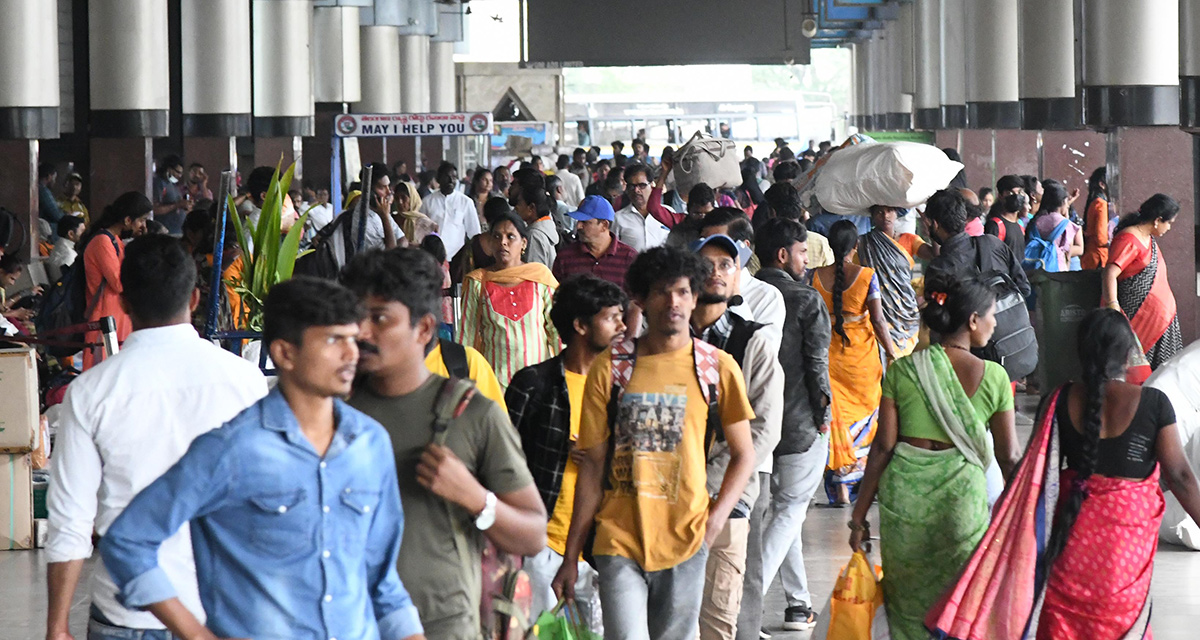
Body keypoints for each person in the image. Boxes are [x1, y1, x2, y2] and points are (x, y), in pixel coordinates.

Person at [98, 277, 426, 640]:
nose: (352, 354)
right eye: (334, 340)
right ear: (285, 353)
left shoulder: (370, 444)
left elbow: (382, 581)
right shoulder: (232, 449)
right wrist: (194, 633)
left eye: (353, 339)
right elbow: (127, 541)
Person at [46, 236, 268, 640]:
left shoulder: (92, 391)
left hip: (127, 612)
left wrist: (57, 625)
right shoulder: (245, 381)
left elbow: (71, 521)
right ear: (196, 298)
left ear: (125, 302)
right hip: (220, 610)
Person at [551, 246, 757, 640]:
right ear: (641, 300)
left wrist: (714, 522)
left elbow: (744, 455)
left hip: (687, 538)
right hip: (618, 539)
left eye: (682, 291)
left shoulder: (717, 367)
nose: (674, 302)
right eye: (662, 292)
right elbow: (591, 467)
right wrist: (572, 554)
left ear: (695, 297)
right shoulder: (611, 367)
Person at [341, 248, 546, 639]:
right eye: (355, 317)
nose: (362, 332)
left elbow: (533, 534)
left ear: (423, 329)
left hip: (444, 625)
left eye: (379, 318)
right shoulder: (333, 412)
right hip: (349, 623)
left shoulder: (472, 414)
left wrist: (476, 499)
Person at [848, 273, 1019, 640]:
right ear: (972, 320)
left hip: (905, 499)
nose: (995, 323)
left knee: (908, 599)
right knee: (960, 599)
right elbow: (1009, 458)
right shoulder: (994, 377)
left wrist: (859, 514)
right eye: (991, 315)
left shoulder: (904, 370)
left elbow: (882, 447)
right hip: (962, 503)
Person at [506, 274, 627, 631]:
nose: (622, 326)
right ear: (580, 326)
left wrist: (600, 458)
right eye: (611, 317)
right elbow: (501, 460)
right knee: (539, 634)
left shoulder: (622, 389)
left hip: (601, 547)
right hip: (540, 545)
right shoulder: (534, 384)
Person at [689, 235, 784, 640]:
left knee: (716, 615)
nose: (716, 272)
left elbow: (764, 429)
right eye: (707, 263)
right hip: (666, 495)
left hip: (728, 497)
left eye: (726, 264)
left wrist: (717, 487)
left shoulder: (754, 341)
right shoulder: (666, 338)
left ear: (738, 277)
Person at [753, 218, 832, 634]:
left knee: (787, 512)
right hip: (800, 421)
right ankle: (743, 605)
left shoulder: (743, 294)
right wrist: (824, 417)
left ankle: (799, 604)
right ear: (783, 254)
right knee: (788, 511)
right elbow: (818, 365)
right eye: (803, 251)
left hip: (753, 422)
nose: (806, 259)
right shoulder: (806, 300)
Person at [812, 219, 896, 504]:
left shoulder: (815, 277)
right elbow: (879, 320)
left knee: (837, 422)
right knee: (864, 422)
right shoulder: (866, 276)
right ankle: (855, 483)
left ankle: (842, 489)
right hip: (861, 361)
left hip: (829, 358)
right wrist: (893, 352)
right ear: (855, 247)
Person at [459, 210, 560, 389]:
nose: (502, 242)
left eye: (510, 236)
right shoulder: (477, 282)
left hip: (538, 384)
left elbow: (556, 332)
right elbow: (467, 336)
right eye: (496, 236)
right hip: (493, 384)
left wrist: (563, 376)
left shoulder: (541, 278)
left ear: (523, 243)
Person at [1102, 194, 1183, 370]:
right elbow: (1110, 272)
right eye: (1169, 223)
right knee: (1136, 370)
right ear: (1157, 220)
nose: (1169, 228)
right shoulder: (1129, 240)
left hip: (1161, 320)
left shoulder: (1147, 237)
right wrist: (1112, 304)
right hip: (1140, 318)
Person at [79, 192, 152, 369]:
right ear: (128, 220)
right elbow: (119, 283)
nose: (143, 225)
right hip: (104, 318)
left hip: (118, 317)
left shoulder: (115, 241)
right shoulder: (102, 242)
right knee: (102, 373)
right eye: (141, 220)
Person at [923, 188, 1031, 298]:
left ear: (935, 224)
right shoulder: (993, 243)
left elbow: (936, 312)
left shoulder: (938, 268)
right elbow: (1024, 288)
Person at [857, 205, 925, 358]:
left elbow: (935, 254)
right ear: (873, 216)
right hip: (877, 311)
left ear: (896, 213)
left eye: (889, 211)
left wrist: (929, 228)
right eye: (880, 212)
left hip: (905, 311)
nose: (885, 216)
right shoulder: (864, 244)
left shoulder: (909, 239)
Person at [552, 195, 639, 291]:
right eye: (578, 221)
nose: (578, 226)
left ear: (604, 225)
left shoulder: (629, 258)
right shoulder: (565, 257)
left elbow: (637, 299)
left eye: (585, 222)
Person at [422, 162, 481, 261]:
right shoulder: (427, 202)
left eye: (454, 177)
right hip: (432, 258)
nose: (451, 180)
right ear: (438, 179)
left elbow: (474, 233)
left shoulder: (465, 202)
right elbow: (420, 230)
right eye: (446, 176)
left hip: (457, 258)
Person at [1028, 180, 1083, 271]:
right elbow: (1067, 252)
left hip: (1036, 268)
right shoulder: (1066, 224)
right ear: (1063, 202)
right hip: (1057, 268)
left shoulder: (1035, 220)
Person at [613, 164, 670, 251]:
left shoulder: (668, 213)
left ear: (651, 185)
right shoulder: (619, 218)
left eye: (642, 185)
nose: (636, 190)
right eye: (632, 186)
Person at [514, 172, 559, 268]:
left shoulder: (534, 235)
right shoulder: (547, 226)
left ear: (531, 208)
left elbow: (533, 273)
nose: (516, 207)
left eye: (519, 202)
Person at [1081, 167, 1116, 270]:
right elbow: (1101, 238)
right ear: (1102, 184)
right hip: (1099, 258)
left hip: (1091, 256)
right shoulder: (1101, 204)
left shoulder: (1094, 201)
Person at [150, 155, 192, 235]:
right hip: (166, 233)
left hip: (177, 231)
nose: (179, 176)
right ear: (168, 169)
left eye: (181, 173)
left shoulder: (172, 185)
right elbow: (154, 209)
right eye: (177, 172)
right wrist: (177, 205)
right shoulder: (159, 183)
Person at [395, 180, 434, 245]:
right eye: (396, 198)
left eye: (403, 198)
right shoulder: (393, 220)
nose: (400, 202)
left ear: (412, 198)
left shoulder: (425, 222)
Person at [38, 162, 67, 226]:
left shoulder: (39, 189)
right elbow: (56, 215)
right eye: (54, 178)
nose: (54, 181)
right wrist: (67, 215)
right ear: (49, 176)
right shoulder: (43, 191)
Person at [468, 166, 494, 231]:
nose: (488, 183)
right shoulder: (468, 200)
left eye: (490, 180)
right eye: (484, 179)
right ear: (476, 181)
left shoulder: (495, 200)